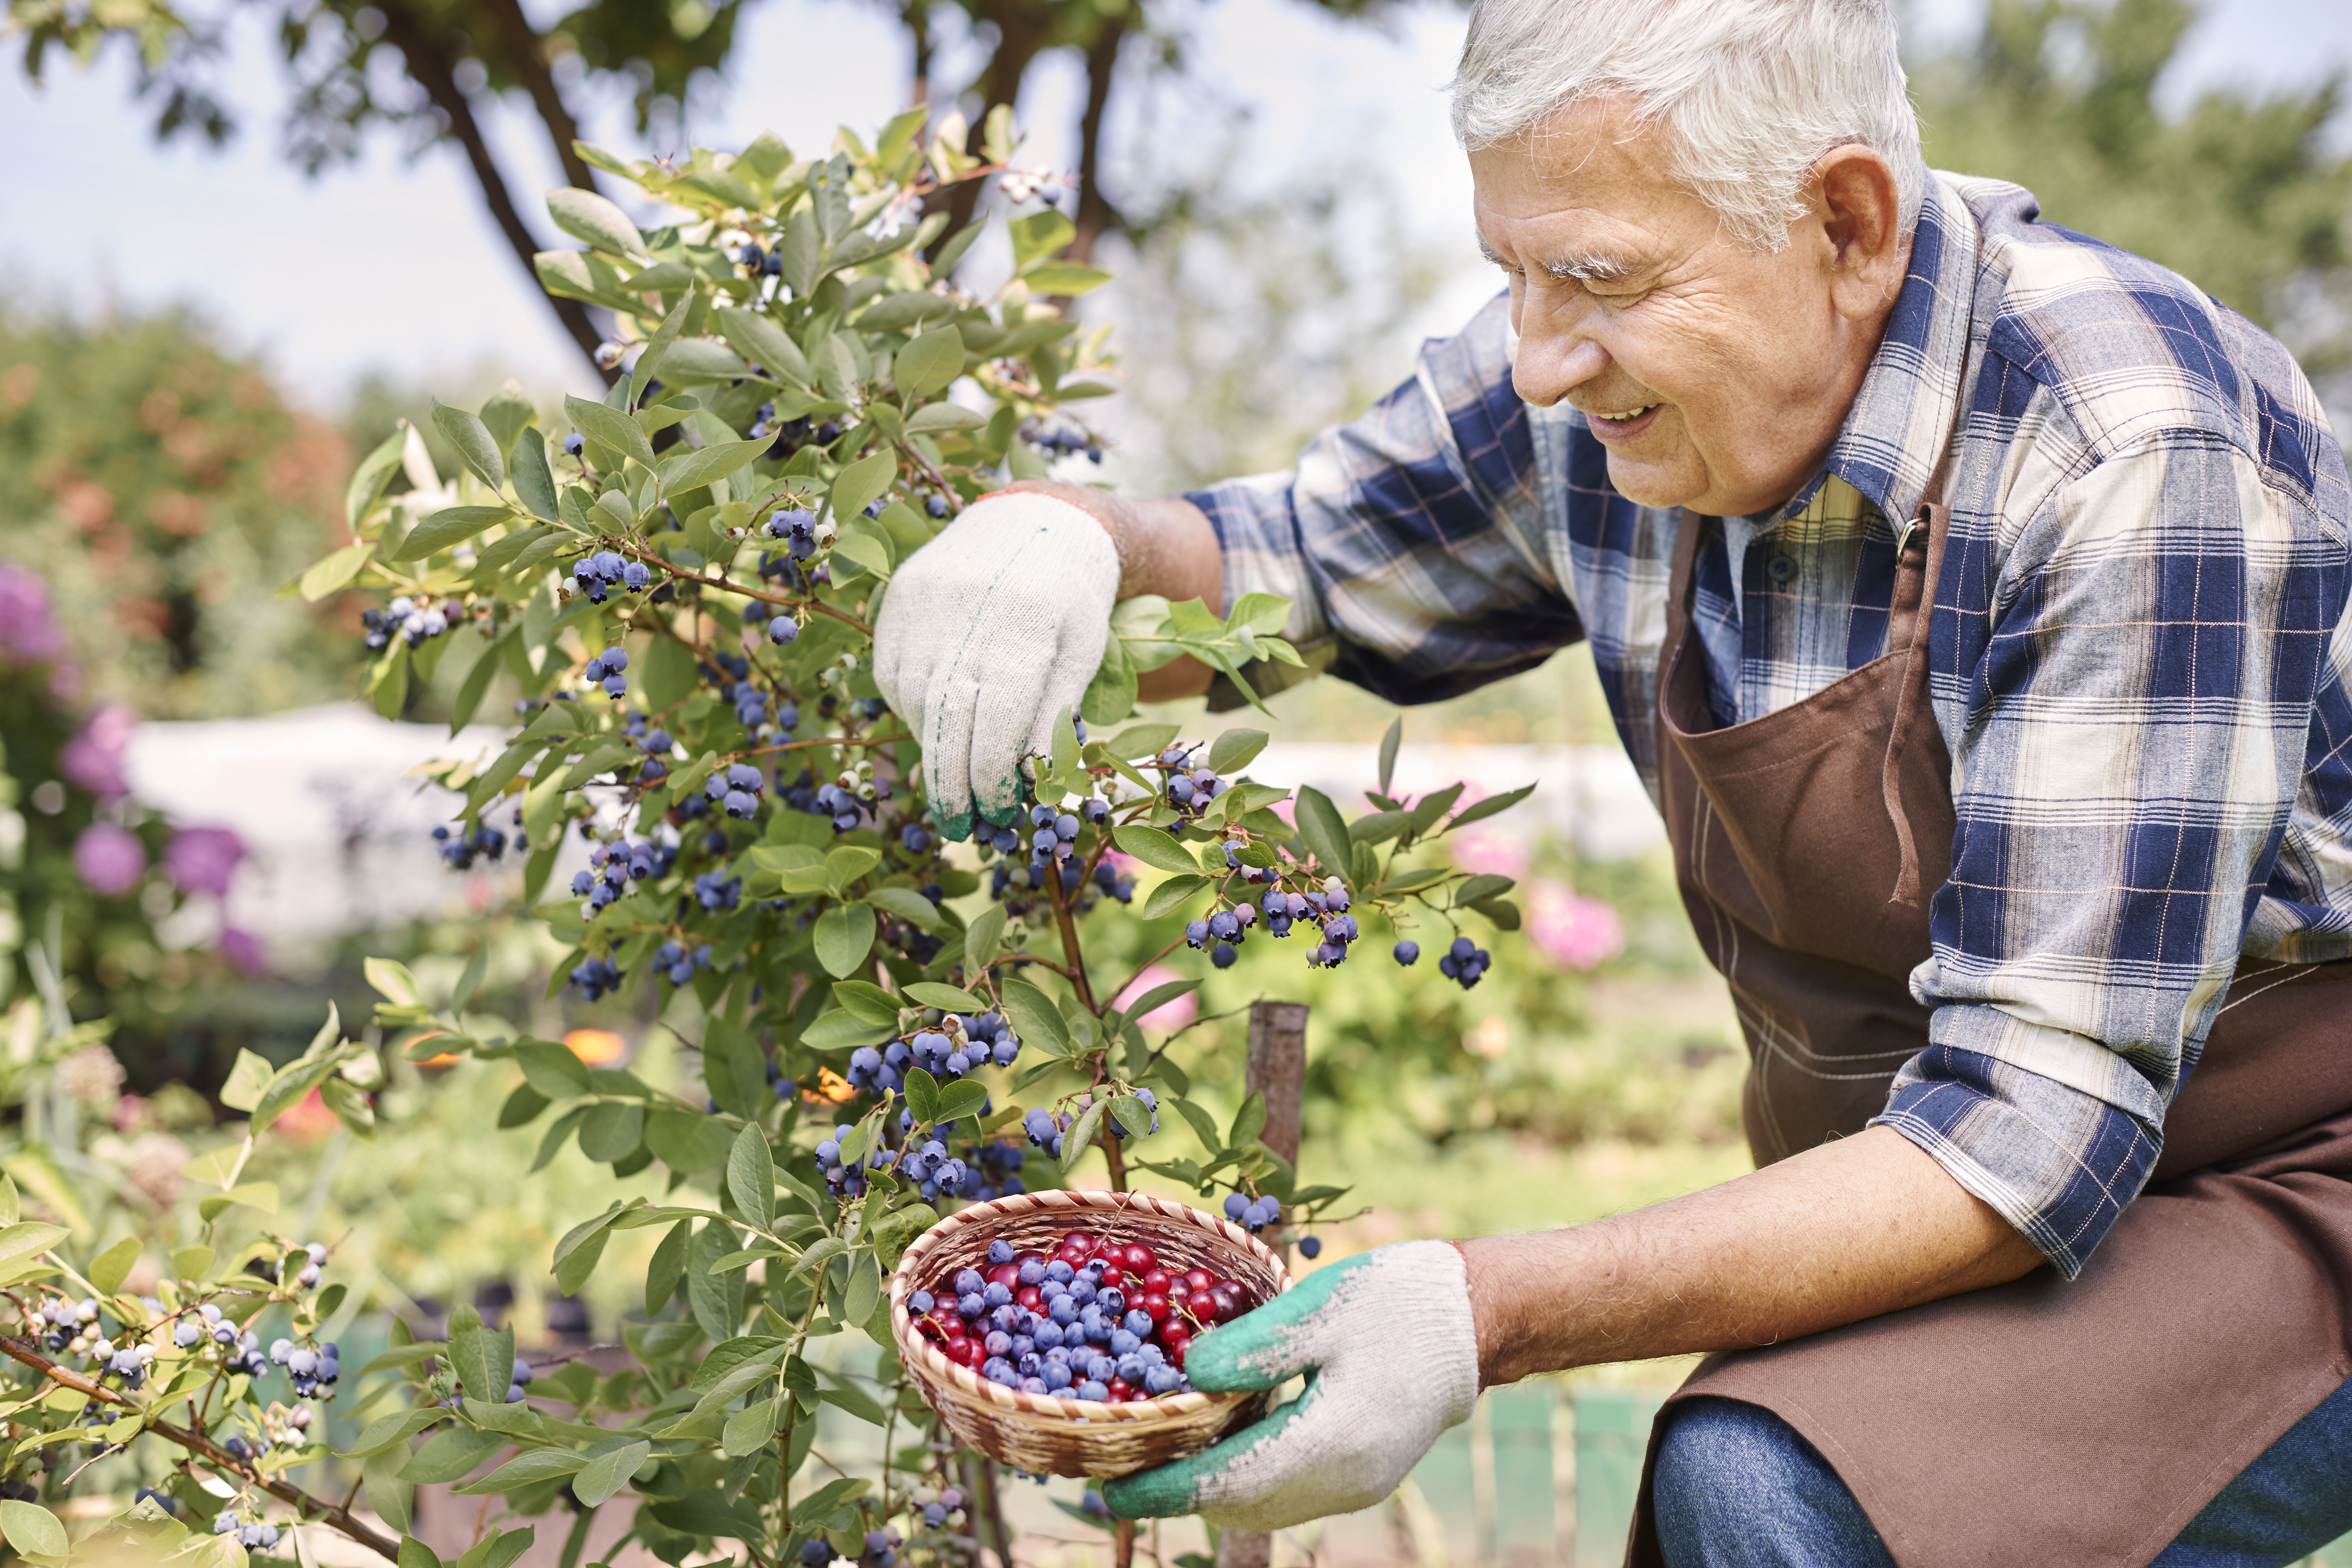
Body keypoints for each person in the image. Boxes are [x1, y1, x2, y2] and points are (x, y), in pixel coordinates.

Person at [871, 0, 2352, 1560]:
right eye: (1511, 270)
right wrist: (1075, 545)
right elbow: (1288, 565)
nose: (1537, 358)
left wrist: (1481, 1310)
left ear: (1844, 222)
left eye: (1592, 279)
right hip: (1953, 1164)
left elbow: (2028, 1133)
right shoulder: (1601, 386)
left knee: (1775, 1486)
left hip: (2286, 1176)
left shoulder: (2131, 451)